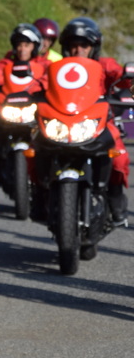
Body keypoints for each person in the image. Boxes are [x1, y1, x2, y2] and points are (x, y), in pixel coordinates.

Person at [56, 16, 129, 225]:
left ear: (93, 47)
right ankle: (40, 196)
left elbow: (121, 75)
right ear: (66, 47)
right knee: (35, 150)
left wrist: (130, 80)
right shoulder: (58, 68)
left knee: (120, 158)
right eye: (73, 45)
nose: (78, 50)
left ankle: (115, 198)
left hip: (100, 123)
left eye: (84, 45)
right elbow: (41, 82)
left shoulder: (105, 64)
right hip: (62, 124)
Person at [0, 23, 49, 168]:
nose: (22, 49)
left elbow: (50, 80)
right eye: (19, 45)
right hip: (8, 109)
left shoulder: (45, 65)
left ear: (34, 46)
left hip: (34, 110)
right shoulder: (5, 64)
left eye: (26, 45)